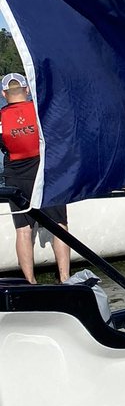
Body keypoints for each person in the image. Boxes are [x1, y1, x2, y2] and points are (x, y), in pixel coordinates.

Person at [0, 73, 70, 283]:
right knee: (59, 225)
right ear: (27, 90)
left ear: (4, 94)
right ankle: (65, 278)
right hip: (46, 171)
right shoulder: (41, 111)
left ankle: (30, 281)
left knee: (23, 229)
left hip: (16, 174)